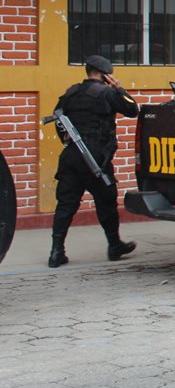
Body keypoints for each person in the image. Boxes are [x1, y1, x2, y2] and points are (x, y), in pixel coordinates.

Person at [48, 55, 140, 268]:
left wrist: (65, 139)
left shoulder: (71, 93)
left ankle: (56, 251)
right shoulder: (107, 93)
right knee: (106, 202)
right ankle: (114, 245)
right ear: (105, 75)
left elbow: (58, 118)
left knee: (65, 204)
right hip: (95, 158)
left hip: (71, 156)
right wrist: (119, 89)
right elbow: (132, 110)